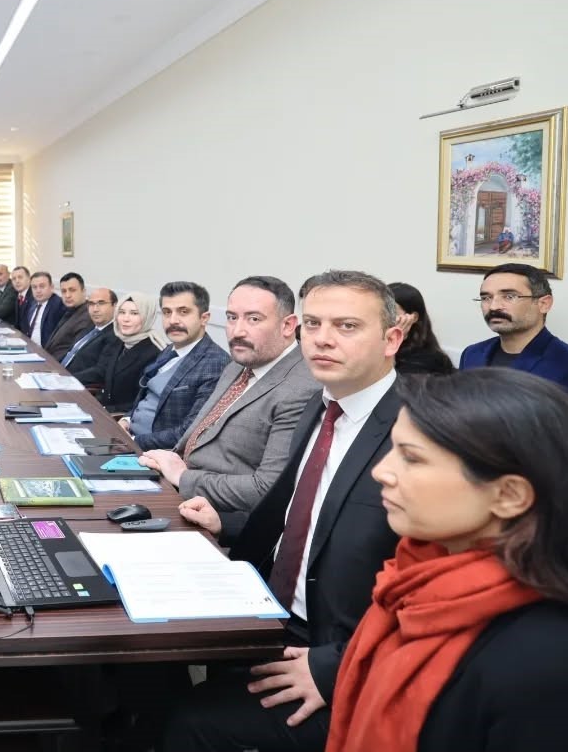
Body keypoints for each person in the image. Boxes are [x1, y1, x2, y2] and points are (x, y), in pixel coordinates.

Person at [164, 270, 405, 752]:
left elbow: (437, 587)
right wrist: (225, 523)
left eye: (347, 326)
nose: (323, 339)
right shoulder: (322, 405)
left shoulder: (416, 431)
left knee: (187, 722)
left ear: (391, 339)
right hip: (270, 612)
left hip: (339, 650)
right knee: (146, 667)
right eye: (313, 324)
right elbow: (301, 513)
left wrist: (334, 668)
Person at [325, 370, 568, 752]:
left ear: (509, 495)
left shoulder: (560, 667)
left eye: (411, 458)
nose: (381, 472)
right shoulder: (413, 580)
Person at [140, 276, 320, 513]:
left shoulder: (302, 388)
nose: (237, 331)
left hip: (213, 513)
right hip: (170, 485)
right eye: (232, 317)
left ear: (287, 326)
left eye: (254, 319)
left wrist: (182, 476)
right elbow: (199, 435)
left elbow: (267, 489)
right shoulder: (238, 364)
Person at [459, 263, 568, 409]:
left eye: (509, 296)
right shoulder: (472, 354)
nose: (493, 306)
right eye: (486, 298)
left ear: (544, 304)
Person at [121, 281, 231, 450]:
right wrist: (126, 420)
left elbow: (188, 432)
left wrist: (133, 441)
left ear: (204, 318)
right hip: (127, 436)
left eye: (183, 312)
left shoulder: (216, 363)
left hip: (153, 452)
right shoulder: (169, 349)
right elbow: (146, 397)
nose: (173, 321)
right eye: (167, 312)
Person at [88, 292, 164, 412]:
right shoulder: (119, 341)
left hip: (119, 417)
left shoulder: (154, 353)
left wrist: (105, 409)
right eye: (122, 312)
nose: (125, 319)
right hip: (101, 408)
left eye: (134, 313)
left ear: (147, 316)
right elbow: (103, 376)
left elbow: (143, 401)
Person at [386, 281, 454, 376]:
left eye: (391, 311)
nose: (384, 317)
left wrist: (393, 340)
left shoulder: (426, 360)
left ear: (413, 317)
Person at [65, 287, 118, 376]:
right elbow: (70, 353)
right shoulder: (90, 326)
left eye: (101, 303)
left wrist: (68, 378)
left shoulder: (114, 335)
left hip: (75, 381)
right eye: (91, 304)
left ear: (115, 306)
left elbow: (99, 371)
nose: (95, 309)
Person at [43, 272, 94, 361]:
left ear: (83, 291)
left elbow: (73, 354)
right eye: (64, 291)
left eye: (72, 290)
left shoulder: (87, 316)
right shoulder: (70, 310)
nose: (67, 295)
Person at [23, 272, 64, 345]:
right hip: (28, 346)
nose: (38, 291)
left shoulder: (58, 305)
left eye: (42, 286)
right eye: (34, 287)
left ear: (51, 287)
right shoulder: (32, 303)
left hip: (45, 350)